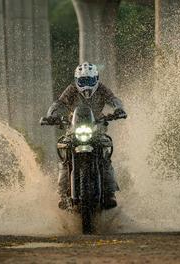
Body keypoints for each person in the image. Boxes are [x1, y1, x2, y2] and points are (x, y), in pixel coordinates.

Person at [43, 62, 127, 210]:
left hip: (97, 128)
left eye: (90, 81)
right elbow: (60, 102)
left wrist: (119, 109)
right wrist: (51, 115)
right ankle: (63, 194)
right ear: (77, 80)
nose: (86, 85)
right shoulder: (72, 89)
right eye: (83, 81)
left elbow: (113, 99)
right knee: (65, 160)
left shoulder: (101, 88)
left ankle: (109, 193)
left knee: (106, 158)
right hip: (73, 129)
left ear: (96, 79)